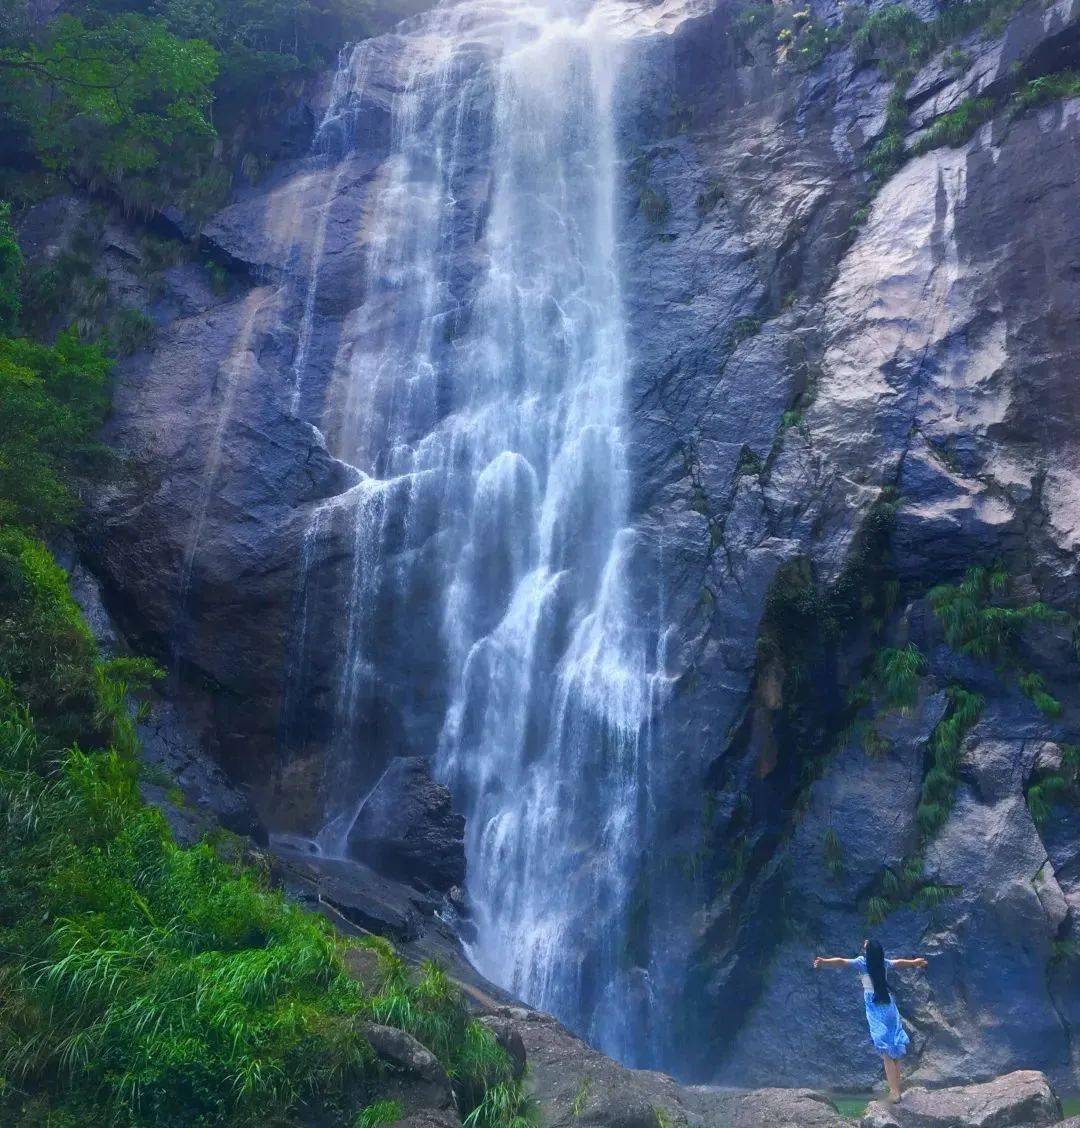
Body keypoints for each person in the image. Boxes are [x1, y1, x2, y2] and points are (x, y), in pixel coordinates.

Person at [813, 939, 927, 1102]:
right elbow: (900, 963)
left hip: (875, 1007)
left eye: (867, 943)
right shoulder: (883, 963)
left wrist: (824, 961)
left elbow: (841, 961)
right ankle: (896, 1090)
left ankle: (894, 1093)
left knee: (886, 1051)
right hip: (889, 1005)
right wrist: (915, 962)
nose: (865, 942)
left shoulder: (862, 963)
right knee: (894, 1048)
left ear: (868, 952)